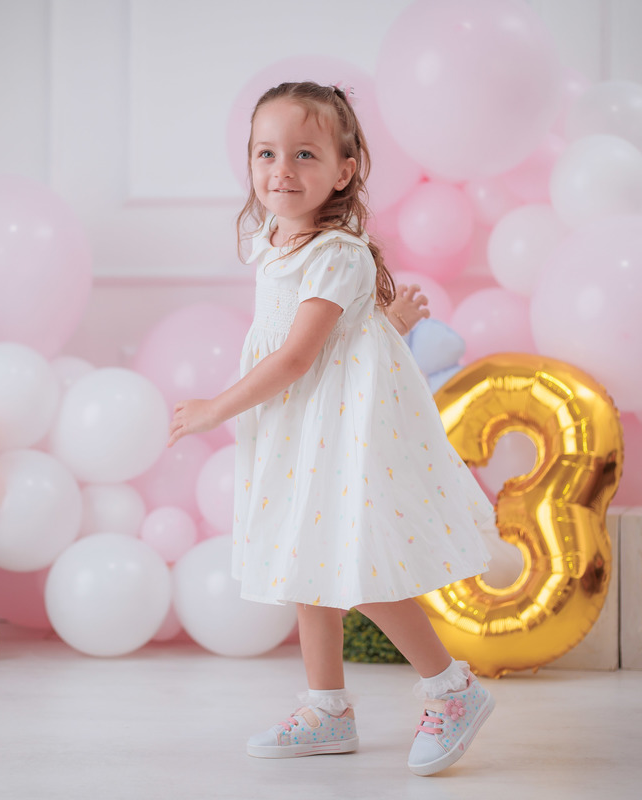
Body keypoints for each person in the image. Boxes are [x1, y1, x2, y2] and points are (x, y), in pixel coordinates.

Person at [166, 81, 496, 776]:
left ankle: (452, 688)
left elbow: (297, 355)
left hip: (336, 430)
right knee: (304, 563)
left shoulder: (336, 252)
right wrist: (391, 320)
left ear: (343, 172)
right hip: (299, 428)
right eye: (266, 153)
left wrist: (215, 409)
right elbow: (348, 332)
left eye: (305, 154)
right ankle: (327, 709)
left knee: (355, 568)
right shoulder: (274, 241)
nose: (281, 169)